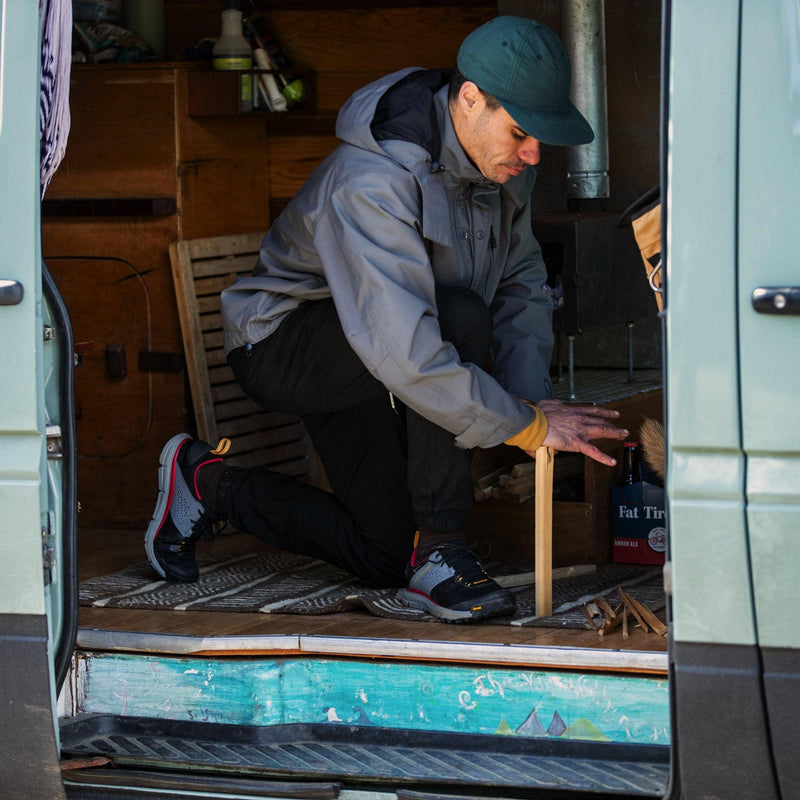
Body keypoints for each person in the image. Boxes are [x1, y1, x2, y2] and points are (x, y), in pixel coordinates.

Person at [144, 16, 629, 622]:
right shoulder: (372, 181)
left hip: (376, 350)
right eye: (521, 132)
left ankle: (205, 484)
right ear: (471, 99)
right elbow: (406, 352)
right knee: (459, 316)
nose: (533, 154)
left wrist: (530, 405)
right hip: (287, 344)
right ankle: (444, 548)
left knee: (385, 553)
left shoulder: (504, 167)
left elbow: (522, 285)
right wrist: (522, 425)